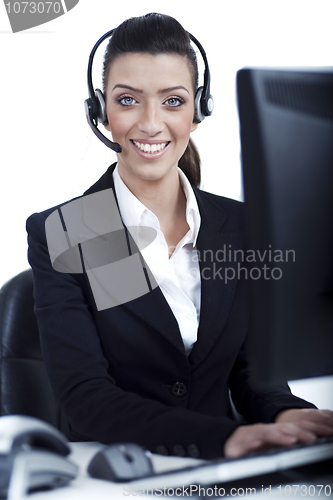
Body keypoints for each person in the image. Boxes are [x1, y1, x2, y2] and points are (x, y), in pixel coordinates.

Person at [26, 13, 333, 460]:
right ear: (101, 113)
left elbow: (250, 374)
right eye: (128, 100)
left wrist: (287, 415)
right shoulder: (74, 231)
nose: (150, 124)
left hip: (225, 473)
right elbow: (87, 395)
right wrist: (221, 438)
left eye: (172, 101)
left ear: (198, 110)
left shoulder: (241, 227)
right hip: (117, 473)